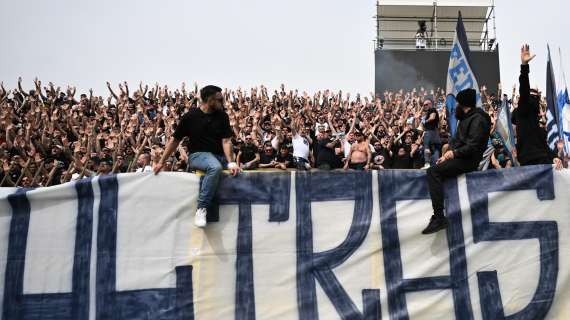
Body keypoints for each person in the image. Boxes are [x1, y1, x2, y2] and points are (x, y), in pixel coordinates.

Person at [154, 85, 240, 228]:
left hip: (220, 156)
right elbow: (175, 141)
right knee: (215, 168)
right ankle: (201, 208)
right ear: (210, 99)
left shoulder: (223, 116)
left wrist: (231, 162)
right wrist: (162, 162)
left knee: (239, 171)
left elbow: (226, 141)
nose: (223, 102)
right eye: (220, 99)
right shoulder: (190, 116)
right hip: (198, 155)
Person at [423, 88, 491, 234]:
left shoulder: (478, 119)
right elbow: (456, 142)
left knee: (433, 172)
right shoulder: (466, 119)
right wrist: (446, 155)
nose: (456, 107)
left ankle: (439, 217)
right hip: (460, 157)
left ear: (464, 104)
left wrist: (454, 154)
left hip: (468, 160)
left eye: (458, 104)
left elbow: (473, 146)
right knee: (436, 166)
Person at [511, 44, 563, 170]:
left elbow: (544, 147)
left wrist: (554, 157)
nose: (536, 97)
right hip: (530, 163)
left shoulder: (536, 122)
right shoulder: (522, 111)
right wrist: (524, 66)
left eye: (538, 95)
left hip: (543, 161)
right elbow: (524, 88)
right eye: (533, 94)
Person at [421, 99, 441, 168]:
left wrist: (425, 121)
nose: (424, 106)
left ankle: (427, 163)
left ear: (430, 104)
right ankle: (436, 164)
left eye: (426, 104)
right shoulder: (430, 111)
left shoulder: (432, 109)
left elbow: (432, 118)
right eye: (423, 105)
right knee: (435, 149)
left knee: (426, 147)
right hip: (435, 133)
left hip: (430, 132)